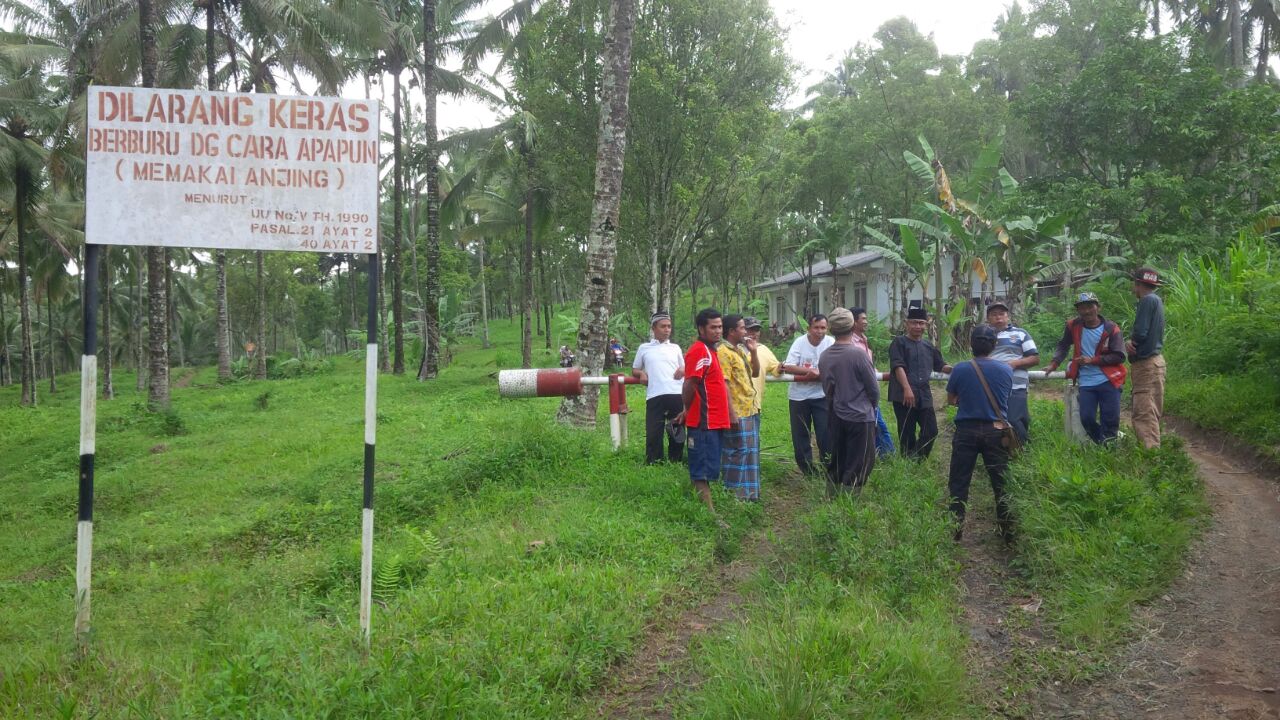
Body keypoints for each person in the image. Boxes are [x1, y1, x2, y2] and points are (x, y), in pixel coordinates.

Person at [945, 324, 1016, 542]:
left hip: (966, 431)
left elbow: (951, 400)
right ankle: (1007, 531)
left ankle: (955, 530)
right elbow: (1005, 399)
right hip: (996, 431)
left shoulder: (960, 369)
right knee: (1000, 481)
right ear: (994, 345)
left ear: (970, 344)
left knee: (959, 482)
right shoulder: (1006, 369)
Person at [1045, 292, 1127, 444]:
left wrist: (1092, 360)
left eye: (1090, 307)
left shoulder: (1111, 329)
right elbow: (1063, 345)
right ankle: (1104, 441)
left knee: (1110, 418)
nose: (1086, 311)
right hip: (1086, 381)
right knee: (1086, 418)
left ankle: (1109, 449)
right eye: (1082, 308)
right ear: (1078, 311)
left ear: (1098, 307)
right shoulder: (1073, 325)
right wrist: (1054, 363)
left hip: (1109, 380)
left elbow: (1120, 356)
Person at [819, 308, 880, 496]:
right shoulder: (859, 355)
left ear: (830, 329)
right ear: (853, 326)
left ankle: (832, 496)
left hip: (836, 413)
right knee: (860, 460)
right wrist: (872, 406)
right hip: (861, 417)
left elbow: (827, 388)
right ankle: (850, 502)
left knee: (838, 457)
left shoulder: (825, 356)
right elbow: (873, 389)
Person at [682, 308, 733, 519]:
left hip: (713, 421)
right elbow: (690, 383)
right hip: (704, 422)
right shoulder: (699, 351)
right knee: (701, 470)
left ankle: (705, 509)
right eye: (713, 327)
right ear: (701, 328)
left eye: (720, 327)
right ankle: (709, 515)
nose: (718, 331)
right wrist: (687, 409)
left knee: (708, 468)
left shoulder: (711, 351)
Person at [888, 302, 952, 460]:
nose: (918, 326)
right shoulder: (899, 343)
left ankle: (915, 459)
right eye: (914, 323)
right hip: (903, 395)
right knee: (907, 433)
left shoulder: (928, 345)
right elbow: (898, 366)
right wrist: (907, 389)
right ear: (906, 324)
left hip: (923, 394)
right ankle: (908, 466)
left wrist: (958, 369)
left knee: (931, 431)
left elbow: (940, 365)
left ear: (927, 325)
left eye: (922, 323)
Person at [781, 315, 834, 474]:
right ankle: (808, 470)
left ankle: (829, 467)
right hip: (799, 396)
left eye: (823, 328)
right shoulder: (800, 342)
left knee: (825, 432)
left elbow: (837, 363)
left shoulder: (830, 342)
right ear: (809, 328)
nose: (820, 331)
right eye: (816, 327)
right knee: (800, 434)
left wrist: (821, 373)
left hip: (822, 395)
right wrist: (809, 371)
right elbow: (788, 366)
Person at [631, 312, 685, 464]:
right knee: (654, 432)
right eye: (663, 326)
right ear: (654, 328)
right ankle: (654, 462)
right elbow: (634, 369)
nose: (667, 330)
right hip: (655, 394)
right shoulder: (644, 348)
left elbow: (684, 368)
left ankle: (676, 461)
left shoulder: (675, 348)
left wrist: (683, 369)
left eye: (669, 326)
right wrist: (641, 373)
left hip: (676, 393)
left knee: (677, 429)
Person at [718, 314, 761, 500]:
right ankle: (733, 495)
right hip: (737, 411)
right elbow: (724, 384)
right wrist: (731, 413)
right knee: (737, 453)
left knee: (750, 452)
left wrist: (754, 352)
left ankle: (749, 494)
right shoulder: (723, 353)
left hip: (749, 409)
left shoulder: (739, 351)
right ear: (732, 331)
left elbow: (756, 372)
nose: (746, 332)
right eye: (742, 328)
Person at [985, 301, 1039, 443]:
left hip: (1016, 384)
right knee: (995, 421)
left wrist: (1014, 364)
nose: (998, 317)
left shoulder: (1021, 333)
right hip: (991, 386)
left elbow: (1034, 358)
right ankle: (1005, 452)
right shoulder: (983, 335)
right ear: (988, 318)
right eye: (994, 315)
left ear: (1007, 316)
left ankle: (1023, 450)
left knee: (1015, 419)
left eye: (1001, 314)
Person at [1127, 267, 1166, 449]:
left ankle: (1151, 454)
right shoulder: (1156, 300)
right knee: (1152, 408)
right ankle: (1154, 451)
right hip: (1157, 361)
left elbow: (1141, 332)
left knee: (1144, 411)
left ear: (1138, 284)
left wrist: (1130, 343)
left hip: (1146, 363)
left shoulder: (1146, 301)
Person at [848, 307, 895, 457]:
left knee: (874, 424)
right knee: (877, 424)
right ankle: (887, 455)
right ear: (854, 322)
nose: (866, 322)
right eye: (864, 319)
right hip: (861, 391)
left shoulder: (863, 340)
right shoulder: (851, 343)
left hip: (868, 388)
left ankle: (877, 454)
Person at [744, 317, 782, 416]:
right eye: (750, 330)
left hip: (754, 405)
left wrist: (781, 368)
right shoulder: (733, 348)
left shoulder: (763, 349)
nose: (754, 333)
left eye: (756, 330)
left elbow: (775, 367)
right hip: (734, 403)